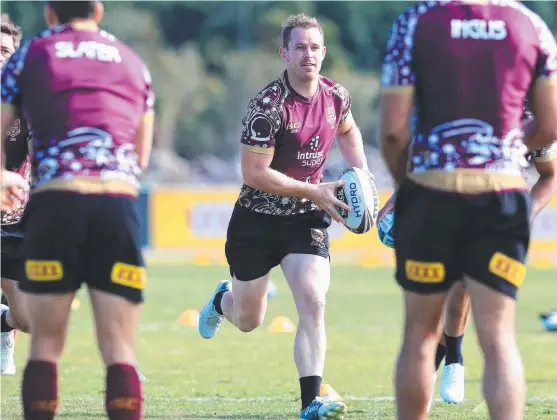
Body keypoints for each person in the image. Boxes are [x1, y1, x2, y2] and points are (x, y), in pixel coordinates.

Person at [377, 1, 557, 420]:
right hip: (502, 193)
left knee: (420, 338)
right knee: (498, 339)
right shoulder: (532, 25)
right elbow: (550, 126)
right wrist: (501, 149)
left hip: (432, 190)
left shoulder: (415, 21)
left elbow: (391, 132)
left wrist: (409, 185)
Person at [198, 13, 371, 420]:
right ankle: (222, 302)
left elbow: (348, 131)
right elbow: (254, 174)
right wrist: (314, 189)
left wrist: (361, 174)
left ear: (323, 53)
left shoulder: (336, 96)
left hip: (306, 220)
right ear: (285, 53)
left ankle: (311, 400)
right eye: (299, 47)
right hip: (256, 221)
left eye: (314, 47)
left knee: (313, 300)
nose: (308, 55)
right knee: (248, 320)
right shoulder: (267, 107)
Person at [0, 2, 155, 419]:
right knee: (119, 348)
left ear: (49, 12)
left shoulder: (29, 54)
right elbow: (140, 155)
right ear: (99, 11)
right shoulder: (133, 62)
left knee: (46, 345)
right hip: (116, 204)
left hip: (56, 203)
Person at [0, 13, 33, 376]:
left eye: (4, 50)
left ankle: (4, 325)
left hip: (13, 217)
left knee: (28, 319)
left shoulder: (28, 103)